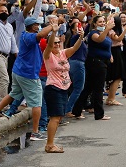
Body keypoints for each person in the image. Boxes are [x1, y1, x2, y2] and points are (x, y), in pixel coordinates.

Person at [0, 16, 55, 142]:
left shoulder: (26, 35)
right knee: (37, 103)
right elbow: (41, 35)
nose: (38, 26)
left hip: (19, 72)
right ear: (31, 26)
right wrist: (53, 25)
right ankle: (35, 132)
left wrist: (54, 29)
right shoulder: (29, 36)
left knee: (13, 94)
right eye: (36, 24)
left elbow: (46, 38)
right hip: (28, 75)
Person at [43, 22, 84, 153]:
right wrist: (54, 32)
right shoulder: (48, 55)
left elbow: (75, 48)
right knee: (55, 117)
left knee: (59, 117)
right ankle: (49, 145)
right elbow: (49, 46)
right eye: (54, 43)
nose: (56, 45)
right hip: (53, 88)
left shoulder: (63, 53)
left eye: (58, 42)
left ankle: (51, 143)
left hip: (64, 88)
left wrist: (80, 37)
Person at [72, 15, 115, 120]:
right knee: (98, 89)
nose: (103, 23)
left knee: (88, 88)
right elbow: (100, 40)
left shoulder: (103, 32)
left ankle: (76, 111)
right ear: (95, 24)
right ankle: (99, 114)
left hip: (102, 62)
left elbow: (107, 45)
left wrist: (110, 55)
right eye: (100, 22)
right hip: (96, 63)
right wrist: (107, 29)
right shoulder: (93, 34)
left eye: (103, 21)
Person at [106, 16, 126, 106]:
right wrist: (125, 30)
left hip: (118, 51)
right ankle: (111, 98)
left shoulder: (114, 31)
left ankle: (111, 98)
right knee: (117, 75)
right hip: (114, 52)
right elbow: (118, 39)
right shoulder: (111, 31)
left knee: (118, 76)